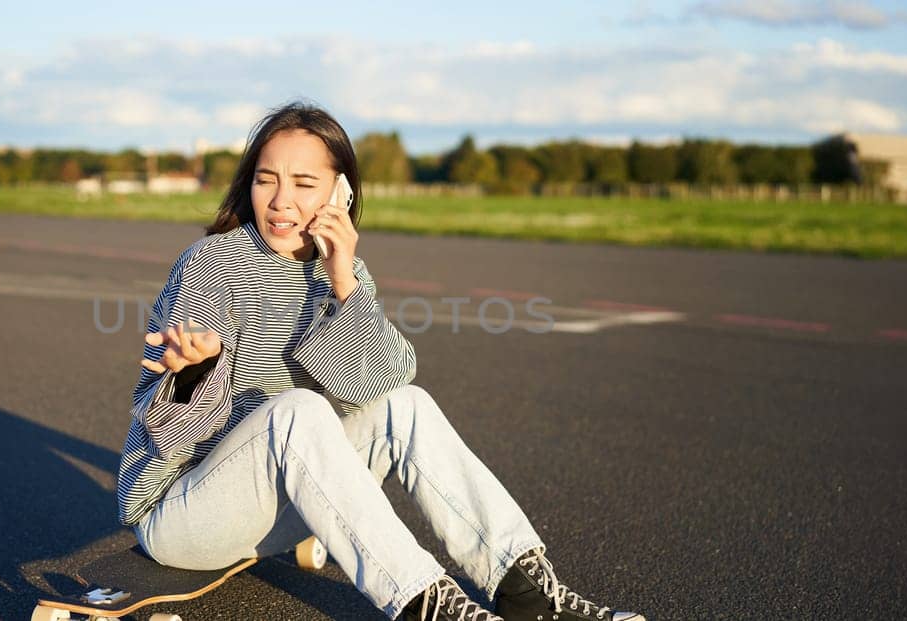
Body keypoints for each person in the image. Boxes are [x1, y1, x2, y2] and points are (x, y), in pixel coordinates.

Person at [117, 101, 644, 621]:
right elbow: (168, 437)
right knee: (298, 409)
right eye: (265, 179)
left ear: (339, 195)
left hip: (280, 505)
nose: (279, 201)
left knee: (406, 405)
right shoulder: (212, 265)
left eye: (303, 184)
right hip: (182, 515)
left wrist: (344, 283)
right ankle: (423, 605)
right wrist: (193, 371)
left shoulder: (342, 272)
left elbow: (382, 383)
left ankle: (527, 594)